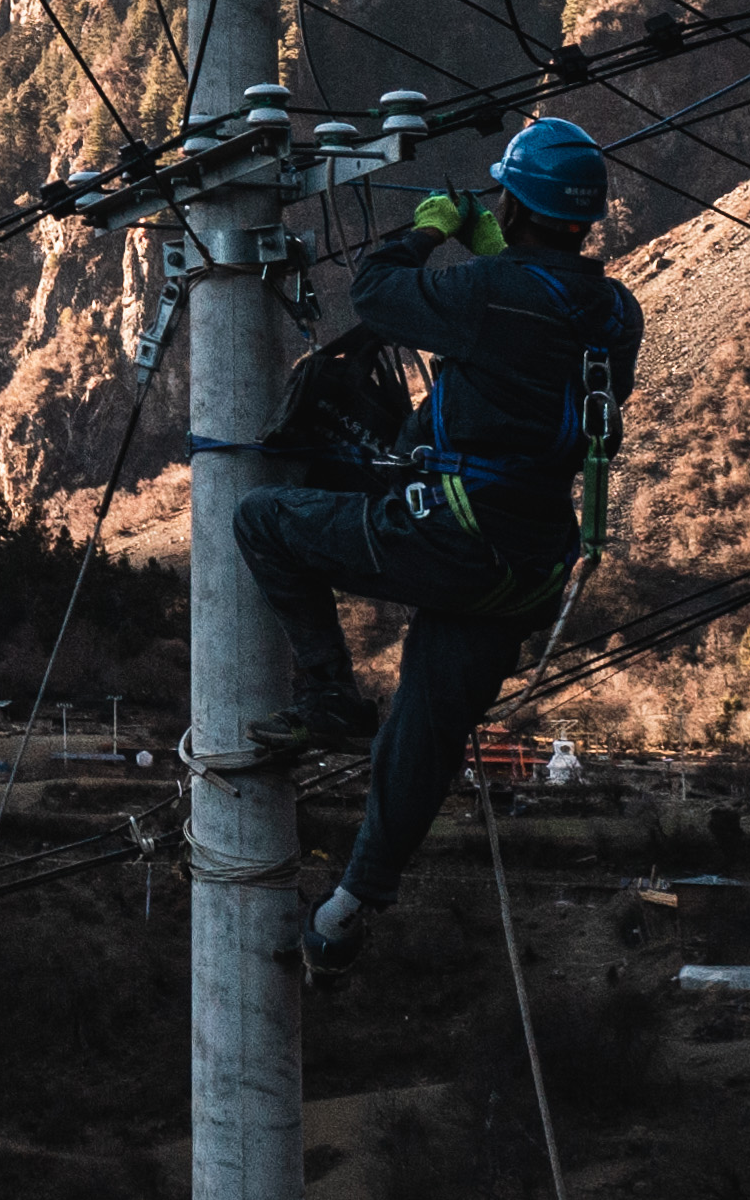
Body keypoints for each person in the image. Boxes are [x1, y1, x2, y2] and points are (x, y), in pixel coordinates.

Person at [229, 115, 642, 979]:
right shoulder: (615, 312)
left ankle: (328, 694)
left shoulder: (487, 293)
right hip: (530, 567)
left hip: (454, 536)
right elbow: (537, 314)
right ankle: (345, 912)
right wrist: (493, 243)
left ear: (511, 202)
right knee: (424, 729)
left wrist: (428, 229)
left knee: (264, 519)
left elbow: (376, 294)